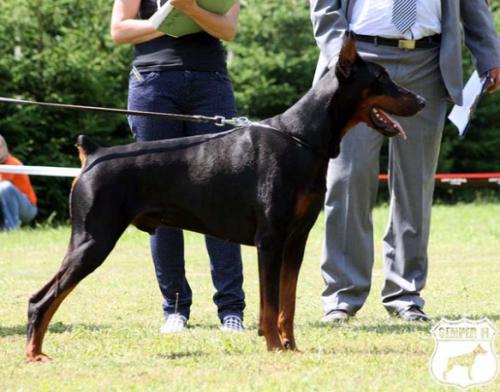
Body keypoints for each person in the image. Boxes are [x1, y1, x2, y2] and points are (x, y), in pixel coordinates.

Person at [310, 0, 500, 322]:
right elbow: (325, 7)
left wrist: (490, 56)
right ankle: (342, 296)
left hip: (428, 63)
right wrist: (341, 57)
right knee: (347, 179)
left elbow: (473, 4)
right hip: (360, 61)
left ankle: (405, 293)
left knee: (415, 185)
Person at [110, 0, 245, 333]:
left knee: (221, 195)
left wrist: (191, 9)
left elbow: (228, 29)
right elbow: (119, 30)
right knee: (160, 199)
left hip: (210, 84)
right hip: (152, 84)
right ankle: (174, 308)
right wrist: (168, 17)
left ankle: (231, 309)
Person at [0, 134, 38, 231]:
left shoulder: (12, 163)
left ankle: (11, 228)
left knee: (5, 187)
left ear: (4, 148)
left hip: (27, 208)